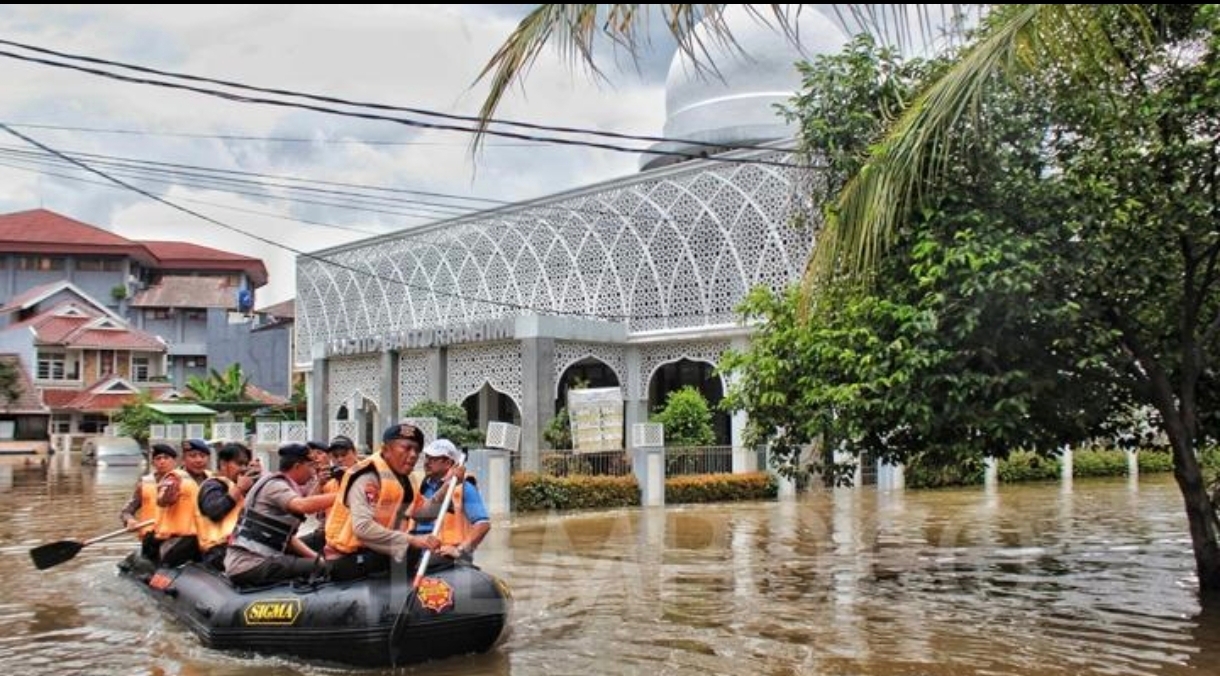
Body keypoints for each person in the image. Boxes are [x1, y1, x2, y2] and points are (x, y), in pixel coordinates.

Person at [324, 422, 439, 581]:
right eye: (406, 448)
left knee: (420, 554)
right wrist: (413, 540)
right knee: (411, 549)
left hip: (377, 551)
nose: (413, 455)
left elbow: (426, 514)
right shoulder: (367, 476)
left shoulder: (406, 478)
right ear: (385, 449)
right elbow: (362, 528)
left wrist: (448, 483)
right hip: (348, 558)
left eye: (417, 450)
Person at [224, 443, 336, 588]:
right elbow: (303, 506)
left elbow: (287, 539)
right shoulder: (275, 486)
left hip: (249, 563)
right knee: (322, 570)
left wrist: (317, 558)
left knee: (318, 561)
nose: (313, 473)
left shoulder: (279, 484)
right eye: (310, 467)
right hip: (251, 565)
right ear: (297, 466)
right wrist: (344, 495)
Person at [409, 439, 490, 562]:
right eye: (427, 457)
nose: (427, 462)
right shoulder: (423, 486)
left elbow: (483, 525)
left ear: (448, 462)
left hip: (448, 555)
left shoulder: (464, 487)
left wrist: (460, 550)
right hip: (420, 552)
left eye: (433, 459)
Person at [151, 438, 212, 567]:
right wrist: (166, 498)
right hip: (177, 541)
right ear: (183, 459)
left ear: (208, 458)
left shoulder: (213, 479)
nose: (198, 460)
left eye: (202, 456)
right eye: (193, 456)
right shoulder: (174, 478)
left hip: (206, 538)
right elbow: (161, 499)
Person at [196, 443, 257, 570]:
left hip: (239, 547)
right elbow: (214, 511)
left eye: (246, 465)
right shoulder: (213, 485)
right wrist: (239, 488)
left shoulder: (237, 488)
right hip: (218, 551)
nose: (243, 469)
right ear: (224, 464)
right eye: (239, 464)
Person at [299, 434, 358, 552]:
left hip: (352, 536)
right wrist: (319, 484)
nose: (340, 460)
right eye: (335, 456)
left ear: (354, 453)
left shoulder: (365, 475)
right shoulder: (329, 479)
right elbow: (308, 508)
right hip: (329, 534)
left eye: (344, 454)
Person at [120, 443, 178, 560]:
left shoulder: (186, 482)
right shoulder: (145, 484)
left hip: (177, 537)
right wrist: (130, 520)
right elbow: (126, 511)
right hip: (152, 538)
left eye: (166, 458)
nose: (162, 461)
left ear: (174, 461)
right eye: (158, 458)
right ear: (153, 463)